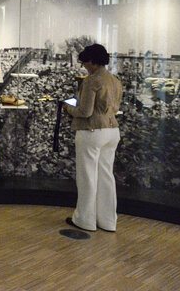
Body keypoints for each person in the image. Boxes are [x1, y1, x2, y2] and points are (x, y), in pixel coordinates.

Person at [64, 43, 123, 232]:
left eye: (86, 62)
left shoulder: (91, 81)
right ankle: (107, 221)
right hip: (112, 131)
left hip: (91, 131)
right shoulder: (115, 81)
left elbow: (85, 111)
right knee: (106, 176)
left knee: (87, 177)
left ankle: (85, 220)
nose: (85, 66)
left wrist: (67, 107)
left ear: (93, 61)